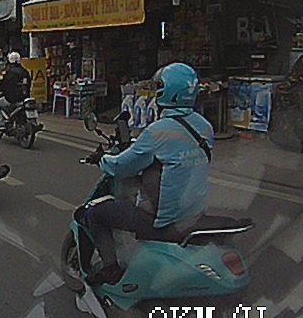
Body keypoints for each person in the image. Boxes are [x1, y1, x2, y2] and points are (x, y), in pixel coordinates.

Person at [84, 62, 214, 286]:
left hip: (161, 220)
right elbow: (175, 154)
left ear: (167, 91)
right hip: (194, 213)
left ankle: (110, 268)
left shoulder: (157, 131)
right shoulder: (205, 128)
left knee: (95, 213)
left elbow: (122, 166)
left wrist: (102, 160)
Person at [0, 51, 33, 125]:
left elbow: (4, 85)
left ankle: (1, 123)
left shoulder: (11, 73)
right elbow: (29, 84)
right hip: (24, 97)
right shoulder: (25, 72)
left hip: (12, 99)